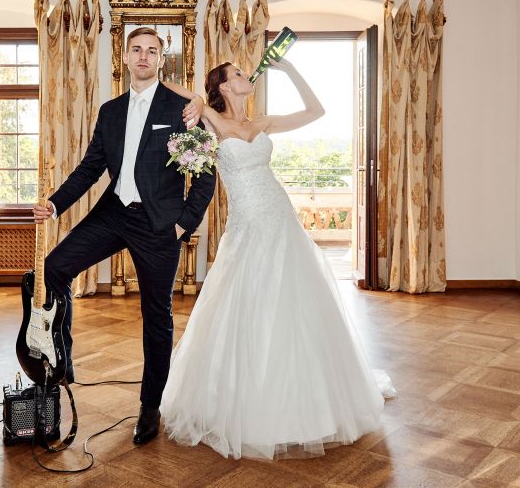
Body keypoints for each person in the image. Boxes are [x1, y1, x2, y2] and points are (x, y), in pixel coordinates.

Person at [158, 59, 396, 459]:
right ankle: (244, 400)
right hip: (246, 224)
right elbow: (175, 89)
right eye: (236, 75)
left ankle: (306, 398)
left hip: (280, 218)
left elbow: (316, 111)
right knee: (247, 304)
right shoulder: (213, 119)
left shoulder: (263, 122)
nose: (245, 78)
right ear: (224, 87)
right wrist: (186, 91)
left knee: (295, 304)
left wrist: (287, 69)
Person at [32, 27, 215, 445]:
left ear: (161, 60)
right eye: (137, 49)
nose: (144, 56)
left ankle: (150, 406)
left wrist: (184, 224)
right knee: (54, 267)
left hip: (159, 226)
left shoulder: (184, 109)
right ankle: (62, 360)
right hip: (114, 213)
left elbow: (204, 176)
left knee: (157, 317)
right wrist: (55, 204)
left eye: (153, 51)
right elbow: (89, 168)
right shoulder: (110, 111)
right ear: (126, 56)